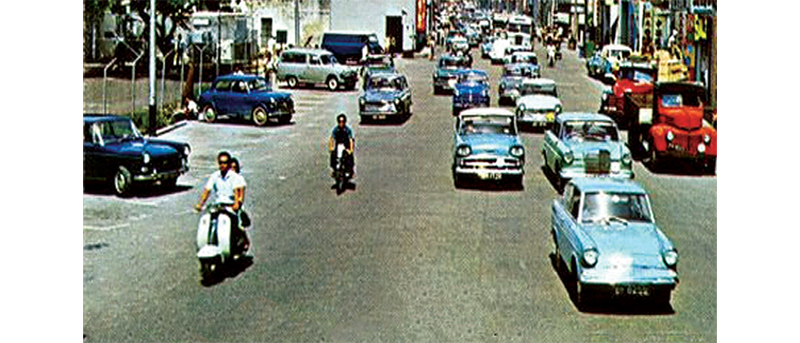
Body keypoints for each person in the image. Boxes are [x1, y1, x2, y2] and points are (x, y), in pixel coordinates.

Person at [195, 151, 249, 251]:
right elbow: (207, 190)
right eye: (220, 163)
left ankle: (237, 243)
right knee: (210, 219)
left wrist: (236, 203)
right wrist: (200, 204)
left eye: (225, 163)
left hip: (231, 206)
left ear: (228, 164)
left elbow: (236, 191)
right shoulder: (215, 176)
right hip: (219, 205)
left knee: (235, 224)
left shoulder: (234, 177)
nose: (222, 165)